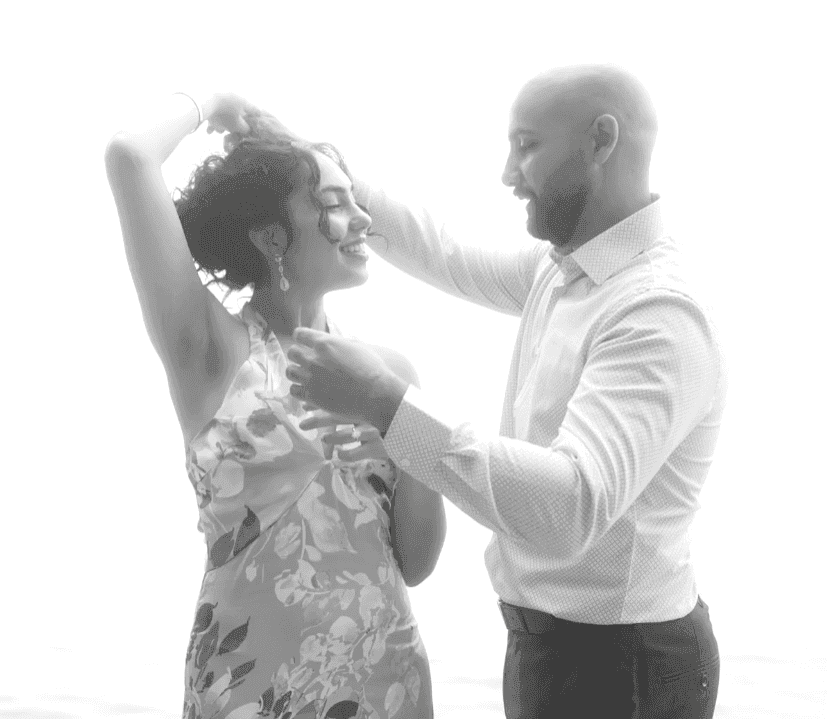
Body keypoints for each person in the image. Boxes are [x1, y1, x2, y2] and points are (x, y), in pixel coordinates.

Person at [284, 64, 726, 718]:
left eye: (527, 146)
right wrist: (330, 176)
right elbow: (447, 255)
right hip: (555, 650)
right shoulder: (565, 269)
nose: (507, 174)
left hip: (624, 668)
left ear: (601, 141)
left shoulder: (656, 313)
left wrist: (387, 405)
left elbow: (571, 505)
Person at [104, 92, 445, 719]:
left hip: (385, 680)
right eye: (333, 204)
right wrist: (214, 101)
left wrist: (410, 443)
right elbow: (130, 156)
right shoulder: (211, 351)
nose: (363, 220)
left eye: (355, 201)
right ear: (269, 236)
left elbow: (417, 562)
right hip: (248, 688)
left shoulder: (390, 374)